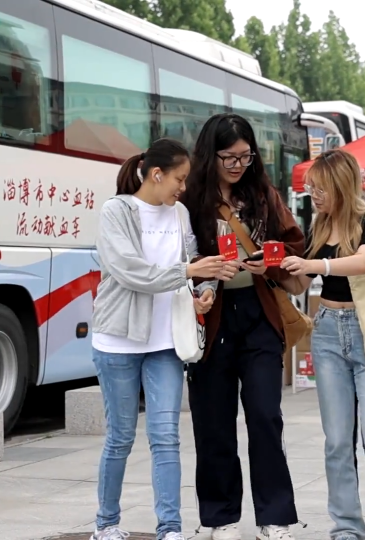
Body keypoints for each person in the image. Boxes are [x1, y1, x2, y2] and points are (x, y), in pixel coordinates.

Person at [90, 138, 236, 540]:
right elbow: (130, 271)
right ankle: (106, 524)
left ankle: (170, 529)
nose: (183, 188)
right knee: (120, 437)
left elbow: (191, 268)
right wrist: (188, 273)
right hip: (117, 341)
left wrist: (203, 290)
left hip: (166, 344)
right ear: (157, 174)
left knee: (166, 438)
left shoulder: (180, 214)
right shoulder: (116, 210)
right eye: (179, 178)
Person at [180, 113, 304, 540]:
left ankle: (275, 516)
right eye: (229, 157)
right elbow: (176, 256)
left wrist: (268, 257)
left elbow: (295, 243)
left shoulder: (264, 194)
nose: (237, 165)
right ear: (208, 155)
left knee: (266, 415)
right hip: (209, 315)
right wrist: (203, 277)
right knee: (213, 421)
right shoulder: (191, 199)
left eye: (245, 157)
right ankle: (220, 518)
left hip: (258, 312)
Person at [280, 149, 365, 540]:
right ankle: (347, 528)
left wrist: (313, 266)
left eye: (320, 188)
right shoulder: (319, 225)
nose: (314, 196)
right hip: (327, 332)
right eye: (311, 189)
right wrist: (275, 270)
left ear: (340, 184)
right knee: (338, 441)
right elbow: (301, 283)